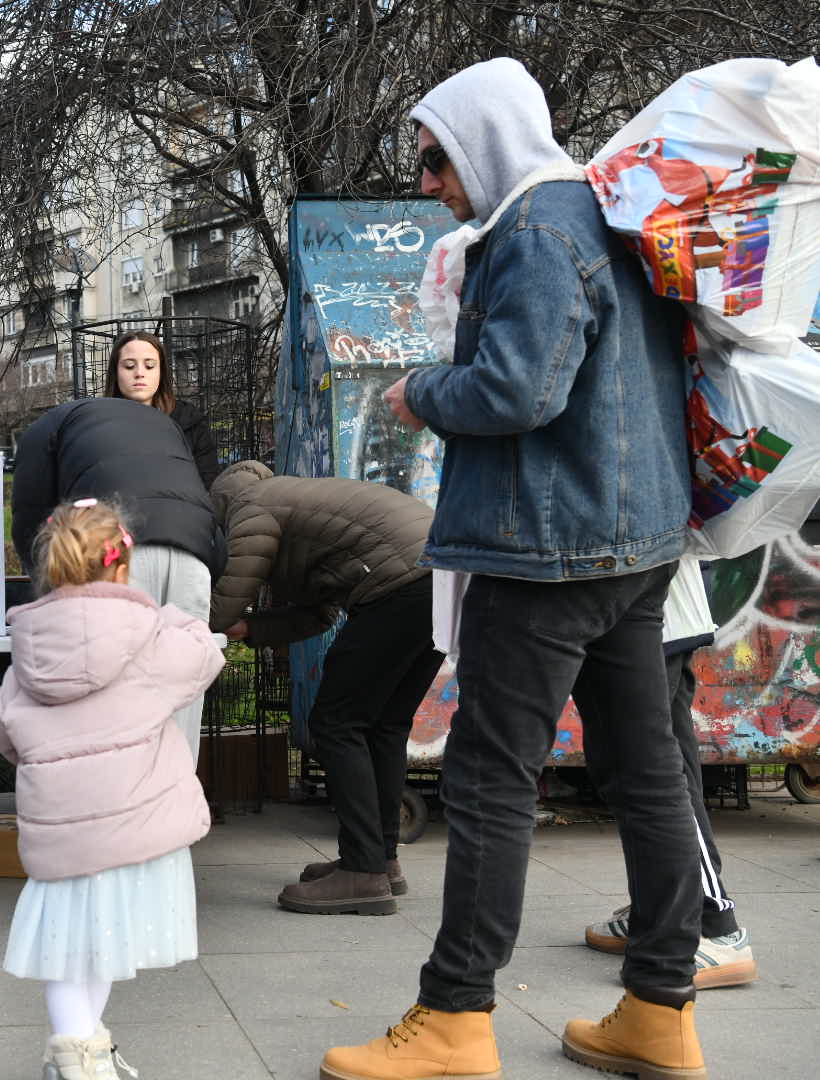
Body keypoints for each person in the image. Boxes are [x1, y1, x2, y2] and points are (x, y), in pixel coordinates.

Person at [322, 59, 705, 1080]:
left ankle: (454, 1018)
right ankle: (662, 1008)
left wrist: (421, 392)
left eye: (435, 157)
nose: (427, 182)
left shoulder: (535, 232)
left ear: (483, 140)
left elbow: (518, 391)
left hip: (544, 550)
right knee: (650, 775)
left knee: (490, 779)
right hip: (634, 542)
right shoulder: (606, 212)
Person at [0, 499, 224, 1080]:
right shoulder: (150, 634)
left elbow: (5, 732)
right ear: (123, 566)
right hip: (136, 825)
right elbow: (206, 652)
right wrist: (159, 610)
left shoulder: (29, 649)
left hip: (63, 836)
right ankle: (79, 1056)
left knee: (73, 950)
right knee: (103, 946)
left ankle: (82, 1047)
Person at [209, 460, 442, 915]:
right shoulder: (299, 506)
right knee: (383, 725)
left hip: (402, 585)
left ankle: (362, 872)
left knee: (336, 722)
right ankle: (381, 860)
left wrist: (192, 621)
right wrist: (250, 630)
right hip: (443, 579)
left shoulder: (252, 505)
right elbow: (319, 614)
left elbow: (229, 595)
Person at [11, 396, 221, 761]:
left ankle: (119, 797)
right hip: (196, 551)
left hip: (125, 550)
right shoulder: (164, 425)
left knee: (117, 681)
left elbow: (30, 518)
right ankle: (175, 799)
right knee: (185, 687)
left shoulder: (42, 432)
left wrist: (45, 583)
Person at [583, 556, 756, 988]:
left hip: (645, 611)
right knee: (645, 767)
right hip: (644, 609)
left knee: (651, 774)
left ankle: (715, 925)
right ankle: (663, 910)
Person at [105, 330, 218, 486]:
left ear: (161, 372)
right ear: (115, 373)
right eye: (129, 366)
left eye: (149, 366)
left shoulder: (189, 421)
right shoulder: (98, 425)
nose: (139, 373)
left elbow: (208, 482)